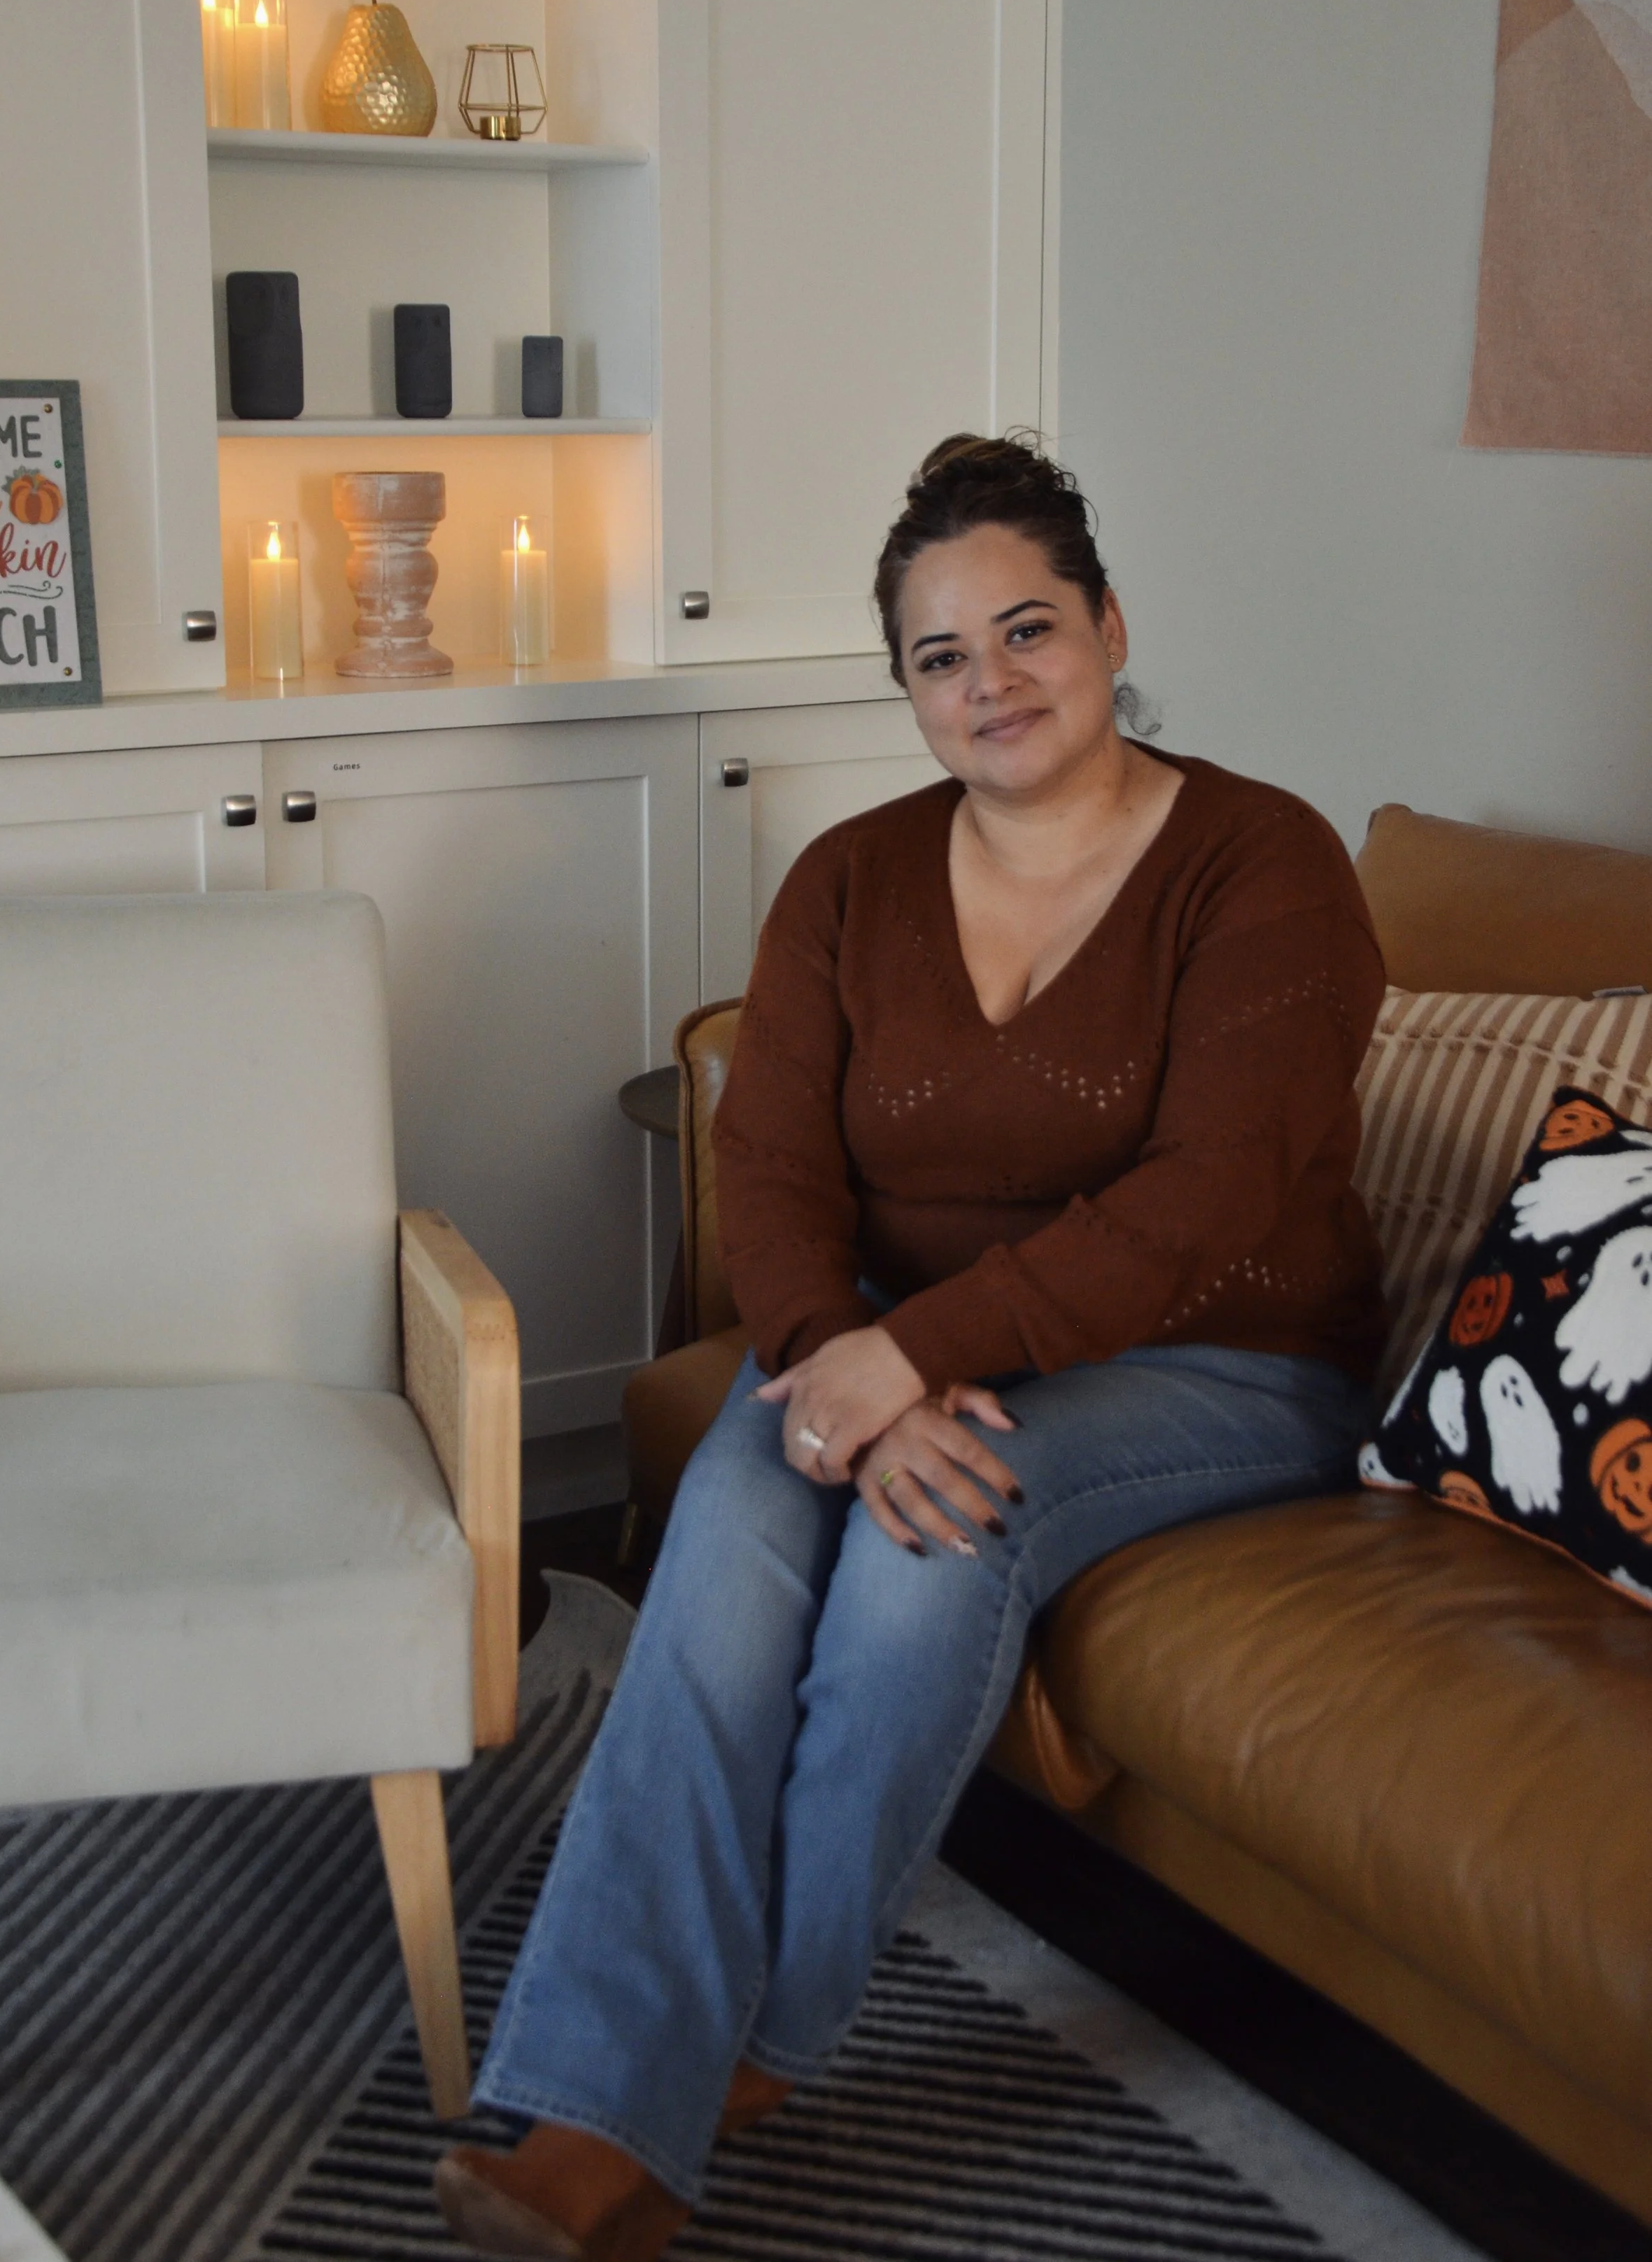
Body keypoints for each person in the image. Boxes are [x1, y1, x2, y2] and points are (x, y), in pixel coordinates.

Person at [436, 434, 1385, 2261]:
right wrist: (832, 1358)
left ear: (1108, 623)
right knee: (724, 1543)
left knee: (929, 1528)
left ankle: (745, 2049)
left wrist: (908, 1363)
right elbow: (770, 1164)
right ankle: (591, 2099)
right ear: (907, 690)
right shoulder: (851, 879)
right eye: (941, 656)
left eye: (1026, 628)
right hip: (869, 1342)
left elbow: (1210, 1194)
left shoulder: (1261, 860)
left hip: (1229, 1356)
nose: (991, 681)